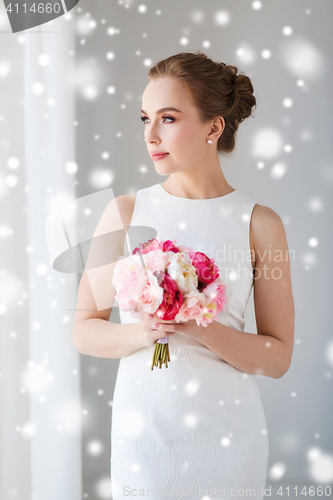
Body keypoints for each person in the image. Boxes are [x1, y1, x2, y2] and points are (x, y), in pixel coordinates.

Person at [73, 51, 295, 499]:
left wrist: (202, 328)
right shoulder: (123, 212)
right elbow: (84, 331)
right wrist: (144, 331)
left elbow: (277, 357)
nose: (150, 135)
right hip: (146, 435)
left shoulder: (260, 223)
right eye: (145, 118)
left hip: (230, 439)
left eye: (168, 118)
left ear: (214, 127)